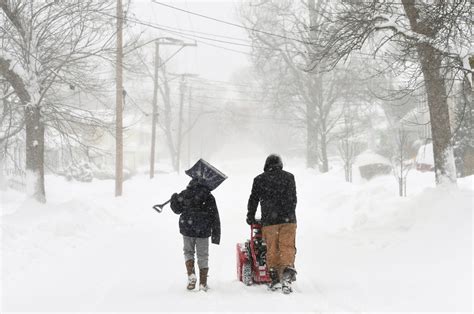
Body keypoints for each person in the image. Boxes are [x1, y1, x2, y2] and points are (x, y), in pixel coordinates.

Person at [247, 154, 297, 294]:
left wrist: (250, 215)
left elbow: (253, 199)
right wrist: (288, 213)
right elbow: (294, 198)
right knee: (287, 246)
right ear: (280, 164)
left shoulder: (259, 179)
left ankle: (274, 278)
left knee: (272, 248)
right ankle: (287, 274)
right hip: (288, 221)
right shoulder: (289, 177)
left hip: (270, 221)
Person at [170, 178, 221, 291]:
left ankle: (191, 275)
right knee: (203, 255)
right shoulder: (208, 196)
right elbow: (215, 216)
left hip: (187, 228)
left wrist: (174, 198)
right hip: (203, 230)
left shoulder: (185, 193)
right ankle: (203, 283)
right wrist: (216, 235)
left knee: (188, 252)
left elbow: (177, 209)